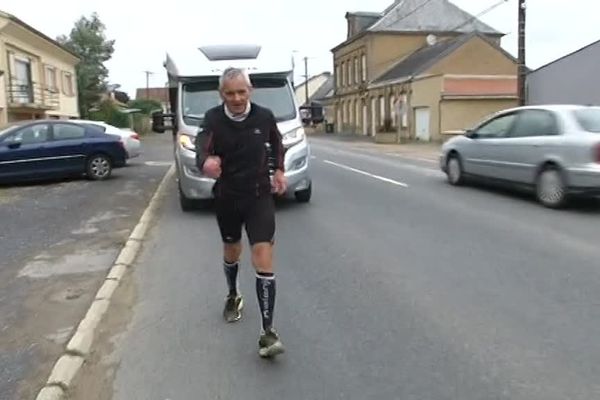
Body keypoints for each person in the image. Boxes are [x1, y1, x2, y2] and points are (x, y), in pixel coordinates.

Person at [195, 67, 287, 358]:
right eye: (230, 93)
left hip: (259, 195)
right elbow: (201, 147)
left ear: (251, 90)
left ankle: (268, 332)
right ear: (222, 94)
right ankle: (233, 293)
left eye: (241, 91)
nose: (236, 98)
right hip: (228, 196)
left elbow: (277, 143)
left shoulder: (264, 116)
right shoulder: (212, 118)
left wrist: (280, 171)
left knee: (262, 255)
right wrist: (205, 162)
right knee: (232, 250)